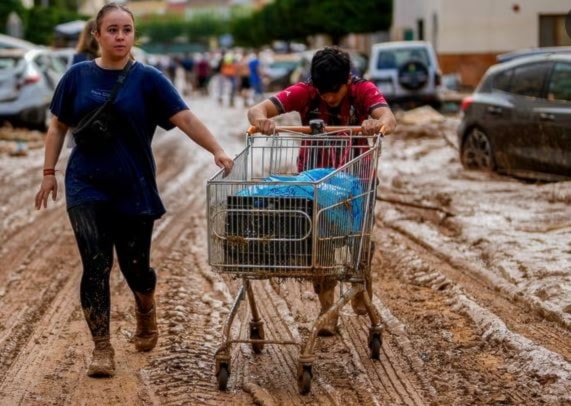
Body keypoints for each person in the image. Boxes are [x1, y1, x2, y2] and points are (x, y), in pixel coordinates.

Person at [34, 2, 233, 378]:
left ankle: (145, 307)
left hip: (133, 187)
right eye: (111, 29)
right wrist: (49, 171)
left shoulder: (149, 79)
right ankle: (102, 348)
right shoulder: (76, 77)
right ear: (96, 36)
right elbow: (58, 126)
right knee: (95, 265)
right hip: (85, 185)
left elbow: (185, 117)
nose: (120, 36)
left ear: (134, 34)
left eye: (126, 29)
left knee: (135, 268)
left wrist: (216, 149)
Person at [247, 47, 396, 336]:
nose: (327, 98)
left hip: (357, 180)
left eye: (334, 92)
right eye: (322, 91)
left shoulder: (363, 90)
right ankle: (328, 310)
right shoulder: (305, 91)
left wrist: (376, 123)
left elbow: (388, 118)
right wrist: (261, 120)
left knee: (358, 240)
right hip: (315, 183)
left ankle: (361, 279)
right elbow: (257, 109)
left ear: (347, 82)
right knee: (321, 243)